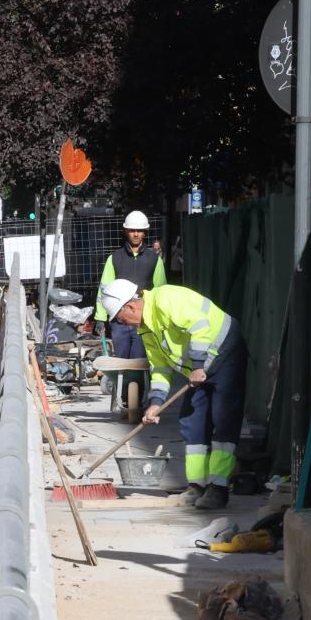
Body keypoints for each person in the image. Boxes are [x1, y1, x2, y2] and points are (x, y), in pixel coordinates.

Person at [98, 279, 248, 511]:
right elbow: (160, 368)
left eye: (120, 317)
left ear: (131, 307)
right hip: (198, 370)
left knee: (224, 419)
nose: (122, 323)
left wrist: (198, 365)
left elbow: (200, 325)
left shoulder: (166, 299)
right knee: (192, 420)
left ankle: (218, 488)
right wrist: (155, 403)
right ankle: (197, 485)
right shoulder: (146, 329)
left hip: (225, 352)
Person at [94, 211, 167, 360]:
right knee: (121, 361)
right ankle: (122, 384)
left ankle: (138, 384)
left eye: (139, 230)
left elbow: (161, 291)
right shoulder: (114, 258)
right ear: (126, 231)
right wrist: (100, 318)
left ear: (144, 232)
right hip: (119, 320)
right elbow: (104, 290)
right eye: (132, 230)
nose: (135, 234)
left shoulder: (154, 260)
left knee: (139, 362)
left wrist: (161, 318)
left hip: (143, 319)